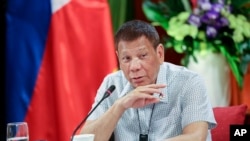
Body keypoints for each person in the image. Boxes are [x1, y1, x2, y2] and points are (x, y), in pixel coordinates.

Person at [80, 20, 217, 141]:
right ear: (118, 57)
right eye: (126, 58)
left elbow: (196, 137)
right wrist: (119, 106)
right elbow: (86, 139)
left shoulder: (189, 82)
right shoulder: (112, 85)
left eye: (142, 56)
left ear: (160, 54)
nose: (134, 67)